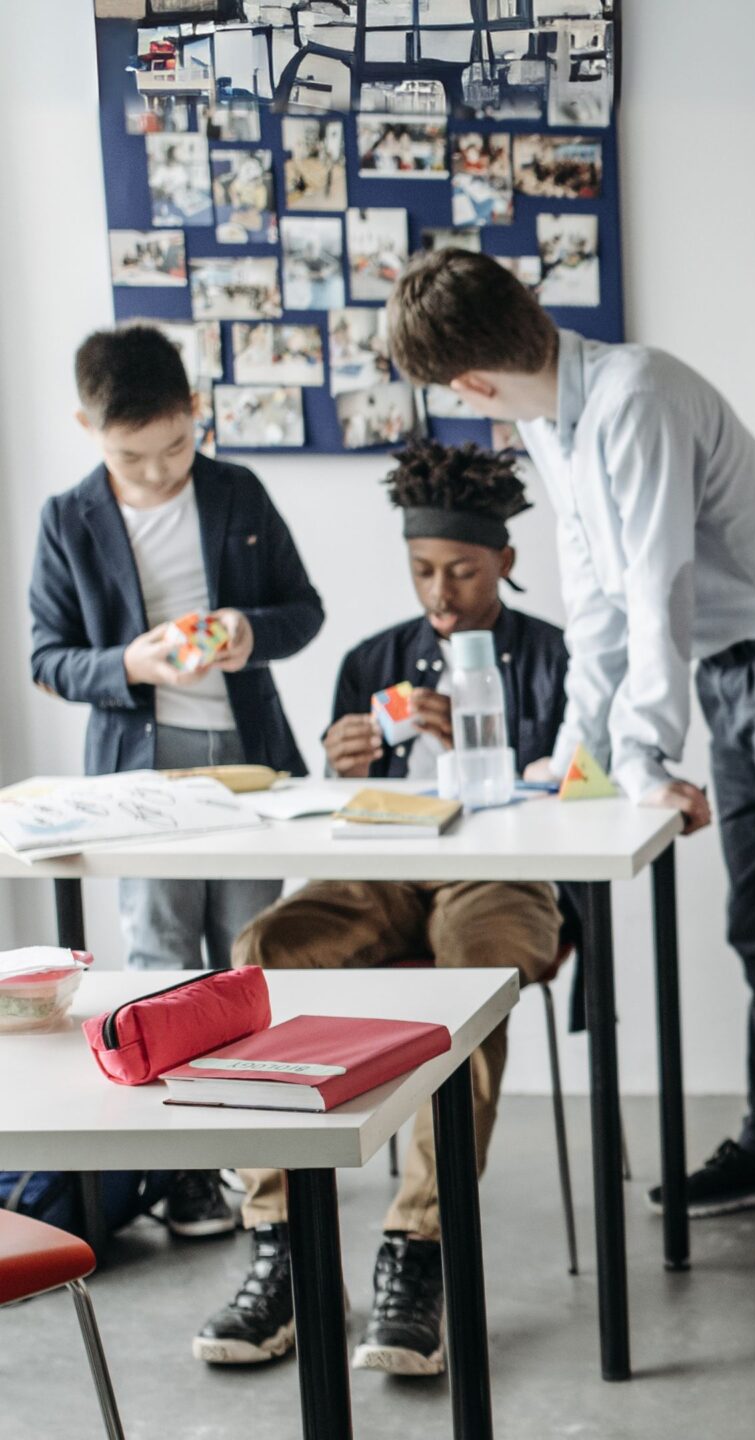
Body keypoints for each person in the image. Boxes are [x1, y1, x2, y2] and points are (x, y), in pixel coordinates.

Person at [382, 248, 755, 1322]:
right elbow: (598, 602)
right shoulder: (551, 417)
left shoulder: (637, 395)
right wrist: (579, 756)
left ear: (467, 384)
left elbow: (656, 581)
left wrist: (642, 756)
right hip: (733, 673)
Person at [192, 440, 570, 1375]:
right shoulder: (372, 658)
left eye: (463, 572)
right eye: (422, 572)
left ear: (505, 564)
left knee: (473, 984)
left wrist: (493, 743)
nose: (441, 593)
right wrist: (345, 763)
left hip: (504, 872)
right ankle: (281, 1241)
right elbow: (332, 814)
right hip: (384, 863)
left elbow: (582, 788)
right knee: (266, 948)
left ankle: (421, 1250)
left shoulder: (558, 656)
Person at [28, 325, 323, 1243]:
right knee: (159, 964)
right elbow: (49, 658)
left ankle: (256, 1158)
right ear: (87, 426)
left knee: (246, 957)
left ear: (197, 412)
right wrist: (130, 663)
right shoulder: (67, 517)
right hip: (137, 775)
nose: (157, 472)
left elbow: (303, 610)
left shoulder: (238, 491)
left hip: (244, 766)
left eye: (175, 447)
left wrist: (245, 630)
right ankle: (185, 1171)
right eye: (132, 455)